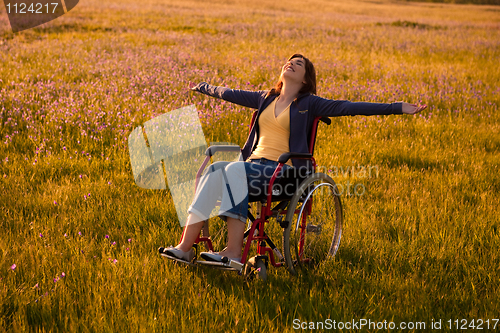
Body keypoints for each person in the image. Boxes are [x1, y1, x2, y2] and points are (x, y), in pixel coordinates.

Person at [161, 53, 427, 263]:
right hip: (253, 168)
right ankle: (185, 248)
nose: (291, 63)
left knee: (232, 171)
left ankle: (232, 253)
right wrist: (204, 87)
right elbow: (230, 92)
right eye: (290, 61)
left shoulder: (310, 103)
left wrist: (398, 108)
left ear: (305, 79)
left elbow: (350, 107)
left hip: (286, 173)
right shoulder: (265, 98)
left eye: (298, 64)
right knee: (216, 169)